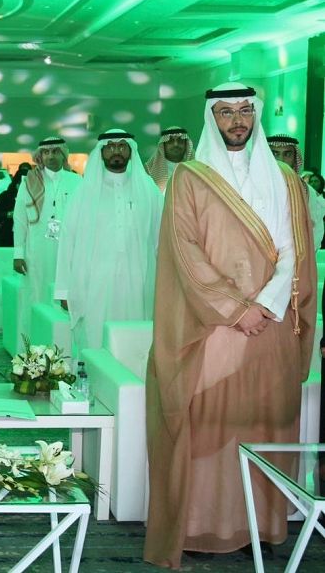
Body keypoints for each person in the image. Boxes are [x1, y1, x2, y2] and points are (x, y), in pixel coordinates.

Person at [144, 83, 316, 568]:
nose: (237, 120)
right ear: (211, 117)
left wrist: (267, 304)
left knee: (263, 423)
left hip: (272, 327)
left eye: (244, 111)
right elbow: (185, 252)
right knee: (209, 428)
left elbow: (296, 249)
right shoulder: (190, 177)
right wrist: (237, 309)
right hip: (214, 329)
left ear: (255, 114)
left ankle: (258, 526)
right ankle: (202, 527)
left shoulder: (285, 178)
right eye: (225, 112)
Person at [54, 130, 162, 353]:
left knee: (135, 337)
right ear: (101, 152)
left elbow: (161, 237)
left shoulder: (148, 189)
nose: (116, 151)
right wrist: (63, 290)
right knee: (95, 335)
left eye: (122, 146)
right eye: (110, 147)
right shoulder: (83, 192)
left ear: (130, 151)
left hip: (138, 280)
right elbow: (67, 241)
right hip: (94, 280)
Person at [13, 137, 82, 311]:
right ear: (40, 156)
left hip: (70, 248)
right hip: (37, 248)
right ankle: (37, 328)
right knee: (36, 292)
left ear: (63, 154)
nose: (50, 156)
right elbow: (20, 219)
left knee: (66, 289)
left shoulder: (77, 181)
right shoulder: (29, 181)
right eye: (46, 152)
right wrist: (18, 253)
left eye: (55, 151)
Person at [267, 134, 325, 248]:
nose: (281, 160)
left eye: (287, 154)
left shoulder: (306, 191)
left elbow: (316, 231)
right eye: (275, 153)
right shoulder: (252, 186)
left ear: (295, 159)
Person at [0, 163, 29, 249]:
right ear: (17, 184)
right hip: (6, 236)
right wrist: (9, 214)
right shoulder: (6, 196)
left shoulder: (35, 197)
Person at [145, 127, 195, 192]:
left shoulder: (196, 165)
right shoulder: (150, 169)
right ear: (163, 145)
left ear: (186, 144)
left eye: (180, 140)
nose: (176, 144)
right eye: (170, 141)